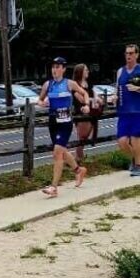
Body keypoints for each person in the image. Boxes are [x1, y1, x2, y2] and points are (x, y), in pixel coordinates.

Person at [38, 58, 90, 197]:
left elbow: (84, 93)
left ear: (63, 69)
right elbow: (40, 99)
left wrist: (86, 105)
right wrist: (41, 103)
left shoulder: (69, 83)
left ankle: (53, 188)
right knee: (62, 151)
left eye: (57, 67)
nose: (54, 70)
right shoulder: (47, 85)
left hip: (65, 122)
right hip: (53, 121)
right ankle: (79, 170)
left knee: (57, 153)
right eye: (53, 67)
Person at [115, 44, 140, 175]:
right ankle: (135, 159)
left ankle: (138, 165)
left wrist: (138, 88)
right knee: (122, 141)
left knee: (136, 138)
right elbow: (118, 89)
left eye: (131, 53)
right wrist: (114, 97)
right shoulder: (120, 71)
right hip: (124, 111)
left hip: (137, 110)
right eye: (127, 53)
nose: (129, 56)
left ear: (137, 55)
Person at [72, 64, 93, 163]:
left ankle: (78, 157)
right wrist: (89, 101)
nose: (88, 71)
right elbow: (80, 99)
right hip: (80, 113)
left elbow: (92, 95)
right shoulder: (76, 85)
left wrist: (94, 100)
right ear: (80, 72)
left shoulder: (88, 83)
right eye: (86, 70)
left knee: (86, 136)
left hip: (90, 112)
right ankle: (77, 158)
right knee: (82, 137)